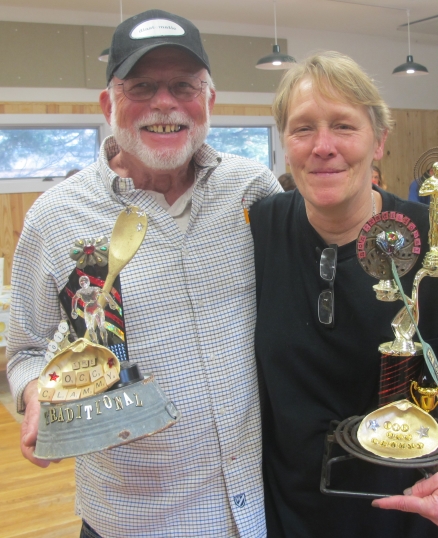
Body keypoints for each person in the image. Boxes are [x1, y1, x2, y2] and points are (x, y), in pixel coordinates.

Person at [7, 10, 280, 538]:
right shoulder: (56, 216)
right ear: (109, 104)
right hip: (136, 521)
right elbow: (23, 351)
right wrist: (37, 392)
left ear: (209, 101)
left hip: (264, 508)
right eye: (142, 87)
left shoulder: (253, 190)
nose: (164, 104)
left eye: (184, 86)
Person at [250, 51, 438, 537]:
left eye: (344, 126)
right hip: (289, 518)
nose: (322, 146)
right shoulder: (260, 231)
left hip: (415, 517)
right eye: (303, 129)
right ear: (285, 143)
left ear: (380, 141)